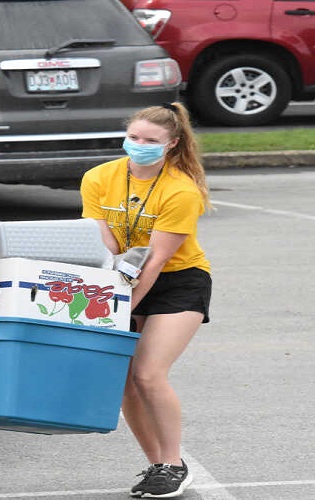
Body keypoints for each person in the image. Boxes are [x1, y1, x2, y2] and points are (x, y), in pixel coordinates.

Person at [79, 102, 212, 498]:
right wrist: (106, 291)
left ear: (171, 144)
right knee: (126, 384)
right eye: (134, 137)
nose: (139, 145)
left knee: (149, 374)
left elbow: (155, 261)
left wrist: (123, 305)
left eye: (150, 141)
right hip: (121, 276)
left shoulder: (181, 190)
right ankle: (158, 464)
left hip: (178, 282)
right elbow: (101, 243)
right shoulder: (98, 178)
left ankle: (173, 462)